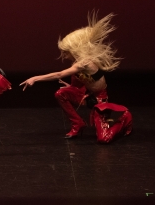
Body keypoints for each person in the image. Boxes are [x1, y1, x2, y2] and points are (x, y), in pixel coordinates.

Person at [20, 12, 132, 143]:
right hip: (87, 96)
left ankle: (125, 119)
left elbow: (59, 74)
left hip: (99, 100)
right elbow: (85, 81)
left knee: (104, 139)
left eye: (66, 52)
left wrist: (35, 78)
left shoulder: (84, 63)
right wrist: (72, 88)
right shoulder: (78, 64)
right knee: (60, 94)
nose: (64, 55)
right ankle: (78, 124)